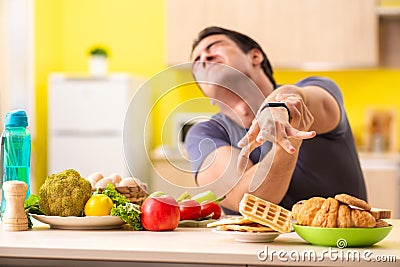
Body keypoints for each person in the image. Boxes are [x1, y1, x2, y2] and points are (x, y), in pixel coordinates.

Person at [185, 26, 367, 215]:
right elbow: (249, 201)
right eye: (197, 62)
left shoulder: (320, 89)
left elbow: (303, 98)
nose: (204, 58)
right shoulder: (203, 135)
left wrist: (281, 107)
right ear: (205, 92)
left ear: (255, 56)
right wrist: (287, 145)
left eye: (215, 46)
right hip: (253, 245)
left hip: (339, 243)